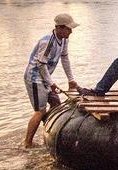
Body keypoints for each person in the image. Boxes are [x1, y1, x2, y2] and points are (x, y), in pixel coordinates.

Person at [22, 13, 80, 148]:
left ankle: (47, 132)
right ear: (60, 28)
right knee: (40, 110)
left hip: (45, 78)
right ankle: (27, 143)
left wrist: (71, 80)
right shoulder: (48, 41)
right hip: (34, 78)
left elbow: (65, 58)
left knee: (56, 104)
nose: (71, 31)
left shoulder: (64, 40)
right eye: (68, 29)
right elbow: (41, 65)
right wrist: (52, 84)